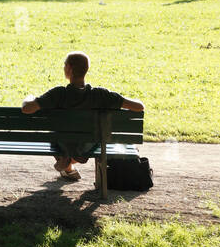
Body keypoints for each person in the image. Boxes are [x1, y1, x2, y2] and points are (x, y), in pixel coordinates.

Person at [21, 52, 144, 182]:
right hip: (87, 145)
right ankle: (69, 164)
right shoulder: (100, 95)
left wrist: (29, 98)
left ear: (69, 68)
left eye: (64, 65)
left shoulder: (58, 94)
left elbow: (27, 108)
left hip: (63, 144)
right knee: (95, 137)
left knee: (56, 136)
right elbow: (139, 106)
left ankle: (67, 163)